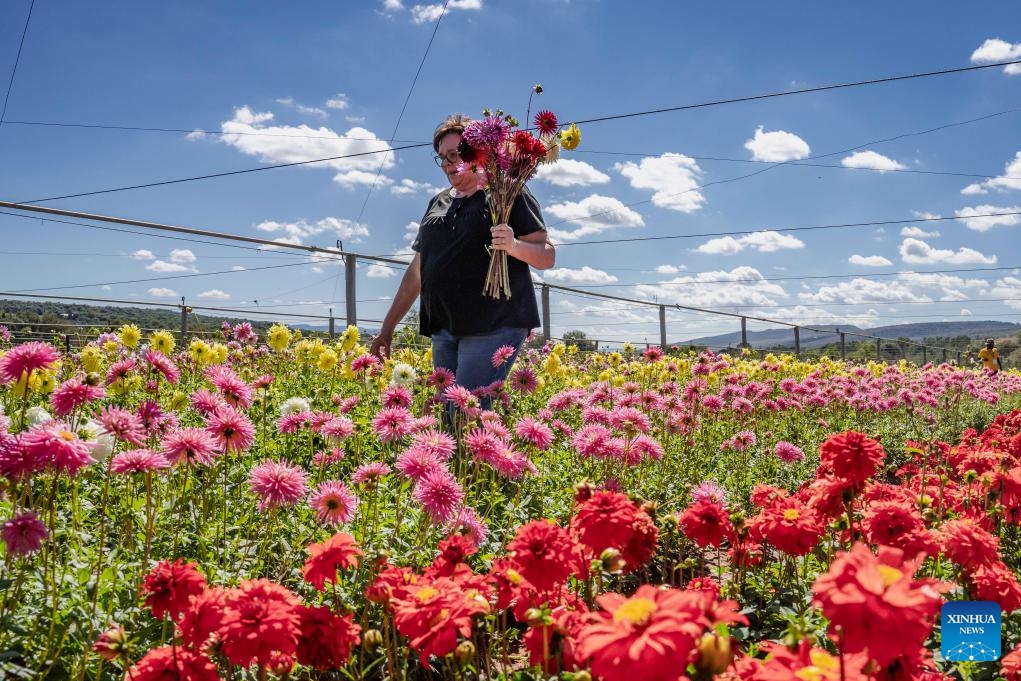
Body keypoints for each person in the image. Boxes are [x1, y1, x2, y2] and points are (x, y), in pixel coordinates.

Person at [370, 113, 556, 399]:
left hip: (494, 324)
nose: (447, 163)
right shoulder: (438, 202)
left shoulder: (505, 192)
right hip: (445, 325)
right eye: (442, 157)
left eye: (455, 154)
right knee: (448, 418)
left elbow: (547, 255)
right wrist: (387, 329)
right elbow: (418, 270)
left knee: (463, 411)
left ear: (478, 152)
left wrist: (513, 245)